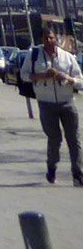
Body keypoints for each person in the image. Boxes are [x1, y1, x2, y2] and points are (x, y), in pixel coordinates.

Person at [27, 23, 83, 186]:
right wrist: (42, 76)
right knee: (55, 139)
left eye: (52, 37)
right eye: (46, 38)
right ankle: (51, 166)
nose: (50, 40)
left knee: (74, 138)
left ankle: (78, 174)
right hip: (46, 103)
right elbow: (24, 75)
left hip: (67, 103)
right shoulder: (34, 56)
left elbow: (80, 81)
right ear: (41, 40)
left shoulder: (67, 57)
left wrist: (68, 78)